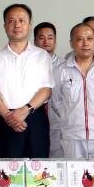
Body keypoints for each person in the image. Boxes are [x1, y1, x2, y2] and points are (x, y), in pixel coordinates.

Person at [0, 4, 54, 160]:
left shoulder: (41, 56)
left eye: (21, 20)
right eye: (11, 21)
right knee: (9, 169)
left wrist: (26, 110)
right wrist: (9, 116)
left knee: (38, 168)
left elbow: (46, 89)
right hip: (5, 119)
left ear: (29, 25)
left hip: (34, 118)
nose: (17, 25)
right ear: (5, 26)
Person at [50, 23, 94, 159]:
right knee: (74, 172)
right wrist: (69, 116)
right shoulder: (61, 71)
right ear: (71, 43)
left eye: (89, 39)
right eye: (80, 39)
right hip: (72, 137)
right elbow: (56, 101)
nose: (85, 43)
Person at [34, 21, 63, 158]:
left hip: (58, 120)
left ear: (55, 40)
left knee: (57, 158)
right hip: (34, 118)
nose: (46, 41)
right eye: (41, 38)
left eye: (50, 37)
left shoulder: (65, 65)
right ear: (34, 40)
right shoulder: (28, 65)